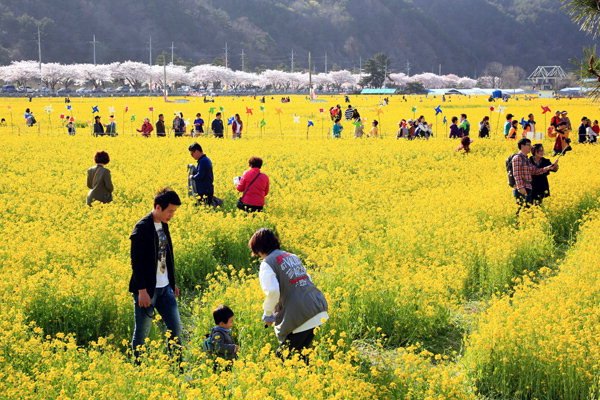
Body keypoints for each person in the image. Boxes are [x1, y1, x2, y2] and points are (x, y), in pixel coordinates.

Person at [250, 228, 328, 362]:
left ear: (259, 248)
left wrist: (268, 314)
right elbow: (307, 278)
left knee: (281, 359)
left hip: (302, 315)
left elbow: (273, 291)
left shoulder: (267, 263)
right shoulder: (292, 256)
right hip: (317, 308)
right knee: (300, 357)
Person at [129, 188, 183, 364]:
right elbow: (136, 263)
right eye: (170, 211)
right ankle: (138, 366)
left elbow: (166, 256)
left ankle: (177, 366)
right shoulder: (141, 229)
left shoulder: (163, 225)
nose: (172, 215)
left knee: (176, 330)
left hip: (165, 288)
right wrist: (142, 291)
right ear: (158, 207)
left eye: (174, 211)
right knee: (142, 333)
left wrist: (172, 282)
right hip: (147, 291)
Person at [511, 138, 558, 211]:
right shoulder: (517, 158)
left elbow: (535, 171)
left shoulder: (526, 159)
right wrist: (520, 187)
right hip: (522, 188)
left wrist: (549, 167)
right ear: (522, 146)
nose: (530, 147)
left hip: (528, 188)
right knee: (521, 211)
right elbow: (516, 174)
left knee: (527, 211)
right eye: (528, 145)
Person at [205, 305, 238, 370]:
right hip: (222, 365)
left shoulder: (224, 331)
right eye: (231, 321)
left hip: (227, 363)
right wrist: (233, 347)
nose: (232, 323)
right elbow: (219, 347)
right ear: (222, 323)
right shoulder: (218, 334)